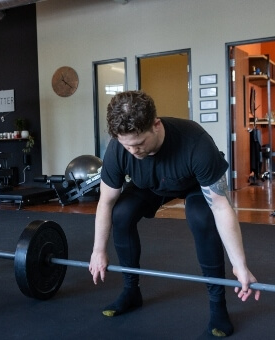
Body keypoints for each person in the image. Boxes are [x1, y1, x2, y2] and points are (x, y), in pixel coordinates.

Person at [88, 90, 260, 337]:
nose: (133, 152)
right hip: (150, 185)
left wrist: (240, 266)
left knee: (201, 216)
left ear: (156, 125)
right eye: (127, 146)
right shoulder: (119, 149)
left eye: (138, 144)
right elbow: (105, 202)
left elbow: (222, 207)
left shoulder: (195, 143)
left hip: (191, 185)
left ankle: (218, 306)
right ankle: (131, 291)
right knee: (122, 212)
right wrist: (98, 251)